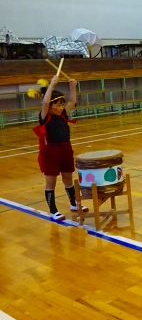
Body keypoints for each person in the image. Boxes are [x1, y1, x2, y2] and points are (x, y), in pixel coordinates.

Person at [31, 75, 84, 221]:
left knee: (68, 178)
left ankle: (73, 203)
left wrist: (73, 87)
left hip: (66, 149)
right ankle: (53, 210)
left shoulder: (63, 114)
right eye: (58, 105)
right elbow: (45, 102)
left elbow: (72, 100)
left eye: (62, 105)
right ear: (50, 106)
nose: (61, 108)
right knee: (51, 182)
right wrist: (51, 87)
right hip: (52, 151)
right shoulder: (44, 116)